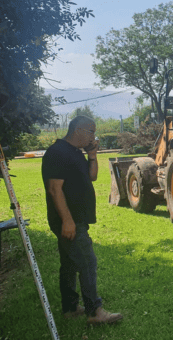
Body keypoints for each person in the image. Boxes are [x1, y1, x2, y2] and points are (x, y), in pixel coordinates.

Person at [41, 116, 123, 325]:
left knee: (69, 264)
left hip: (76, 218)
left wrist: (92, 155)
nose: (93, 137)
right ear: (78, 130)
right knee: (87, 262)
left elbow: (92, 177)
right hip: (69, 220)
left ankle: (70, 308)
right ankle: (94, 311)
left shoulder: (76, 153)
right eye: (91, 132)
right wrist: (67, 221)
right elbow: (54, 189)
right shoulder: (57, 153)